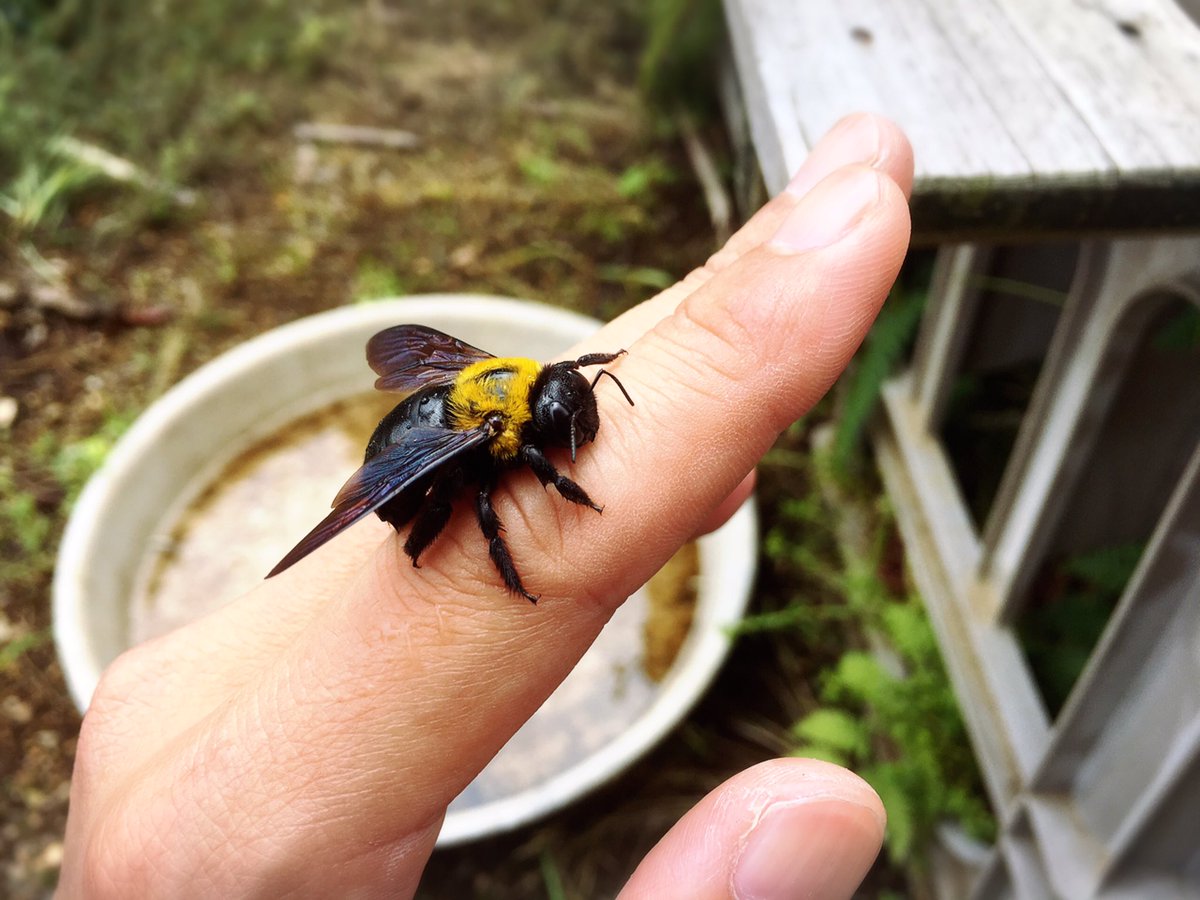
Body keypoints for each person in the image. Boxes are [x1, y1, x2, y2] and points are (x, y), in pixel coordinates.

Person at [58, 113, 914, 899]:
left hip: (444, 410)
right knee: (476, 507)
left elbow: (475, 371)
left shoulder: (519, 382)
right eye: (558, 425)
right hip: (418, 451)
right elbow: (493, 479)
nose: (569, 426)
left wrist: (587, 377)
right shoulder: (487, 440)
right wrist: (577, 509)